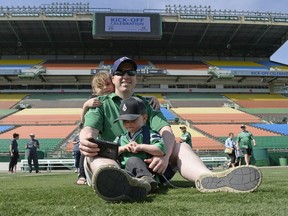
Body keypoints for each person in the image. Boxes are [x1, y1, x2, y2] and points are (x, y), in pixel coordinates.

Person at [79, 57, 262, 202]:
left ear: (136, 77)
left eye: (131, 72)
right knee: (95, 152)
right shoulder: (100, 104)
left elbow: (166, 130)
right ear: (113, 78)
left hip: (149, 167)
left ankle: (208, 179)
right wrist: (86, 139)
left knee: (180, 146)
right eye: (120, 72)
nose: (126, 75)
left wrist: (165, 157)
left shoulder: (147, 104)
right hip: (117, 161)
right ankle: (114, 180)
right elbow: (89, 130)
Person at [76, 71, 161, 186]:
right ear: (94, 89)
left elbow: (139, 99)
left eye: (107, 84)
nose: (105, 88)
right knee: (87, 147)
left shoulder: (138, 102)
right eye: (100, 86)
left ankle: (128, 181)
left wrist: (153, 98)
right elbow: (86, 125)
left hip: (135, 158)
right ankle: (84, 175)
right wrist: (85, 105)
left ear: (113, 82)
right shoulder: (97, 102)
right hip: (111, 156)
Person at [114, 96, 166, 192]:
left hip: (148, 170)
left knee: (132, 160)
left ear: (144, 118)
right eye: (125, 121)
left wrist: (141, 147)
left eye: (133, 120)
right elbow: (112, 152)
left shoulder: (150, 134)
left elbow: (161, 150)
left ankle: (146, 180)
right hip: (127, 172)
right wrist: (123, 148)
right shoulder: (121, 138)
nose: (128, 124)